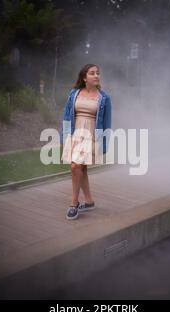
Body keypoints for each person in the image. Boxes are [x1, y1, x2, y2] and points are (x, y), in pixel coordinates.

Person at [60, 63, 112, 220]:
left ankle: (73, 203)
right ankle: (89, 201)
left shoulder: (104, 98)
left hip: (91, 134)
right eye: (92, 73)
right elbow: (67, 116)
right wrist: (64, 136)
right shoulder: (74, 94)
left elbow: (107, 123)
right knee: (80, 168)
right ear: (84, 77)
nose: (96, 75)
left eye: (98, 73)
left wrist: (104, 144)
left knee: (76, 166)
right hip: (75, 134)